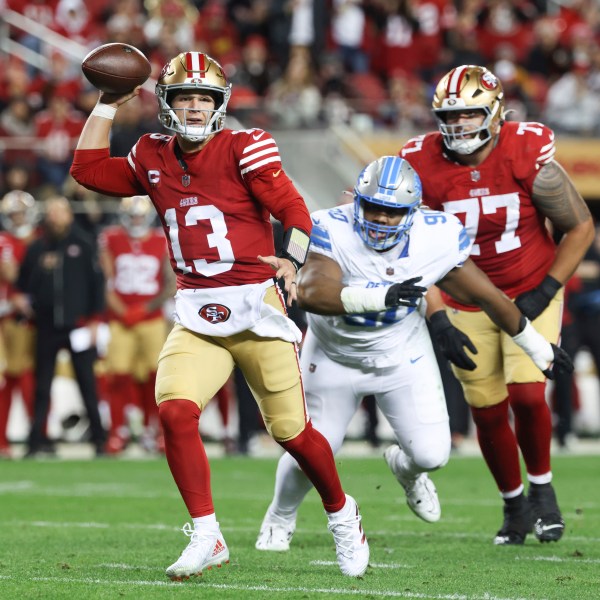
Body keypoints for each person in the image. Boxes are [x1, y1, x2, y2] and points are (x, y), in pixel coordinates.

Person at [70, 51, 370, 579]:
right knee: (174, 411)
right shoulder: (152, 154)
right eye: (183, 97)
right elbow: (88, 170)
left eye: (202, 98)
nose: (192, 107)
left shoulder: (244, 147)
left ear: (219, 103)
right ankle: (207, 533)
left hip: (255, 304)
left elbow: (294, 210)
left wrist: (292, 259)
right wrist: (108, 103)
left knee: (293, 434)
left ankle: (343, 514)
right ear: (166, 102)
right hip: (197, 311)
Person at [255, 155, 573, 552]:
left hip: (401, 354)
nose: (382, 219)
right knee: (314, 447)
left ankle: (406, 471)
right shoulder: (329, 226)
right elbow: (312, 292)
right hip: (334, 355)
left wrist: (537, 347)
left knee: (431, 454)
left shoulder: (435, 236)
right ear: (357, 202)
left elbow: (487, 295)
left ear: (414, 212)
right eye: (373, 207)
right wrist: (380, 295)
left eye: (393, 211)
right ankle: (280, 516)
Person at [398, 64, 595, 545]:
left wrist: (547, 289)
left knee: (528, 394)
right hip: (467, 302)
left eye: (469, 113)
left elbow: (580, 226)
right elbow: (409, 252)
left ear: (495, 111)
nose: (459, 124)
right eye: (450, 115)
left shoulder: (526, 151)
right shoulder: (420, 164)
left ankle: (543, 491)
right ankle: (513, 505)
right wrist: (438, 314)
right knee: (486, 409)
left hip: (529, 289)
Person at [13, 196, 107, 458]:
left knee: (87, 384)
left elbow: (97, 284)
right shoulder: (37, 248)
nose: (55, 217)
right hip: (46, 326)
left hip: (78, 325)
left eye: (60, 212)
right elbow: (22, 285)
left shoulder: (84, 244)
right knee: (41, 386)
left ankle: (99, 440)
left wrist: (95, 320)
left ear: (68, 215)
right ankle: (35, 441)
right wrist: (30, 289)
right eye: (51, 212)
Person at [98, 195, 175, 455]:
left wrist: (144, 309)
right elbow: (107, 280)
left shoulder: (161, 240)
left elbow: (170, 283)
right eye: (132, 216)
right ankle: (117, 430)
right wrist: (123, 311)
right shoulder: (110, 238)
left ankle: (157, 430)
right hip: (121, 320)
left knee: (156, 378)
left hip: (151, 319)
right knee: (118, 374)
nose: (136, 221)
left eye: (140, 216)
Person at [0, 190, 39, 458]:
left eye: (21, 212)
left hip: (38, 314)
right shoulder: (5, 241)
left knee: (33, 376)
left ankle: (36, 436)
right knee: (10, 375)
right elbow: (11, 274)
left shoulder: (39, 239)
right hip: (9, 315)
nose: (18, 218)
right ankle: (5, 437)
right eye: (13, 213)